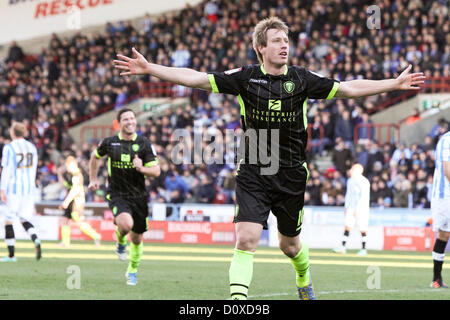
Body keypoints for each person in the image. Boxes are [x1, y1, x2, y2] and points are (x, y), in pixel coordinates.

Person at [113, 16, 425, 300]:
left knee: (289, 245)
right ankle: (238, 302)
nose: (284, 45)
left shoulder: (302, 79)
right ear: (261, 47)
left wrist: (393, 84)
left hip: (290, 173)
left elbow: (348, 89)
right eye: (277, 41)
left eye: (286, 41)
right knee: (246, 238)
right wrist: (150, 68)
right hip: (253, 169)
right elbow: (195, 78)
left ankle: (303, 277)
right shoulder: (245, 78)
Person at [88, 108, 160, 286]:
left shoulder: (144, 144)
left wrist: (142, 168)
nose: (130, 121)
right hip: (117, 193)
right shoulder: (110, 143)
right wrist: (93, 179)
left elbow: (156, 171)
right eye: (126, 119)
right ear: (119, 123)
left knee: (137, 239)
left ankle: (132, 270)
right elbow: (95, 157)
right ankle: (120, 241)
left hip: (139, 196)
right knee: (125, 225)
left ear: (135, 121)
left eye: (132, 118)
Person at [0, 122, 41, 262]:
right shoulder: (32, 147)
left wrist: (2, 189)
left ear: (12, 132)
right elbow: (34, 168)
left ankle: (11, 255)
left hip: (14, 188)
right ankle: (35, 238)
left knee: (8, 220)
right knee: (24, 218)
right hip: (29, 189)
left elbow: (6, 170)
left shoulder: (9, 148)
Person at [57, 156, 101, 247]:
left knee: (78, 221)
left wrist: (66, 202)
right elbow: (63, 186)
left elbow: (75, 190)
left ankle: (96, 236)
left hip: (77, 201)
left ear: (73, 164)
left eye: (68, 166)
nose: (67, 168)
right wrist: (59, 174)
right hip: (70, 200)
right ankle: (65, 242)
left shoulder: (77, 175)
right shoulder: (69, 175)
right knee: (65, 220)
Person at [333, 163, 371, 255]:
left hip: (361, 208)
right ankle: (342, 247)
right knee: (347, 226)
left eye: (353, 169)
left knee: (362, 227)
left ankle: (364, 249)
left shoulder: (364, 181)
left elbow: (364, 197)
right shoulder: (350, 180)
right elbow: (348, 195)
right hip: (350, 207)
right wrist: (346, 207)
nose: (351, 171)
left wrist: (358, 209)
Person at [430, 130, 450, 288]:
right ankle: (436, 279)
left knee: (444, 234)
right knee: (443, 234)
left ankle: (436, 279)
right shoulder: (447, 140)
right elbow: (447, 169)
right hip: (445, 196)